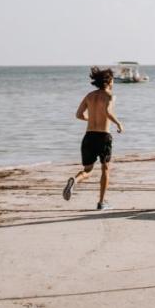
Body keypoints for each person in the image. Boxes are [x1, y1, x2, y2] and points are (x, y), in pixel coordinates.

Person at [63, 66, 123, 210]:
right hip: (103, 136)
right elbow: (108, 111)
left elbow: (78, 114)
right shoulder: (110, 96)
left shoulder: (89, 96)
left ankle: (75, 180)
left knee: (88, 170)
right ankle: (101, 202)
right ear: (109, 82)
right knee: (105, 169)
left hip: (89, 136)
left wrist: (91, 119)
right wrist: (119, 123)